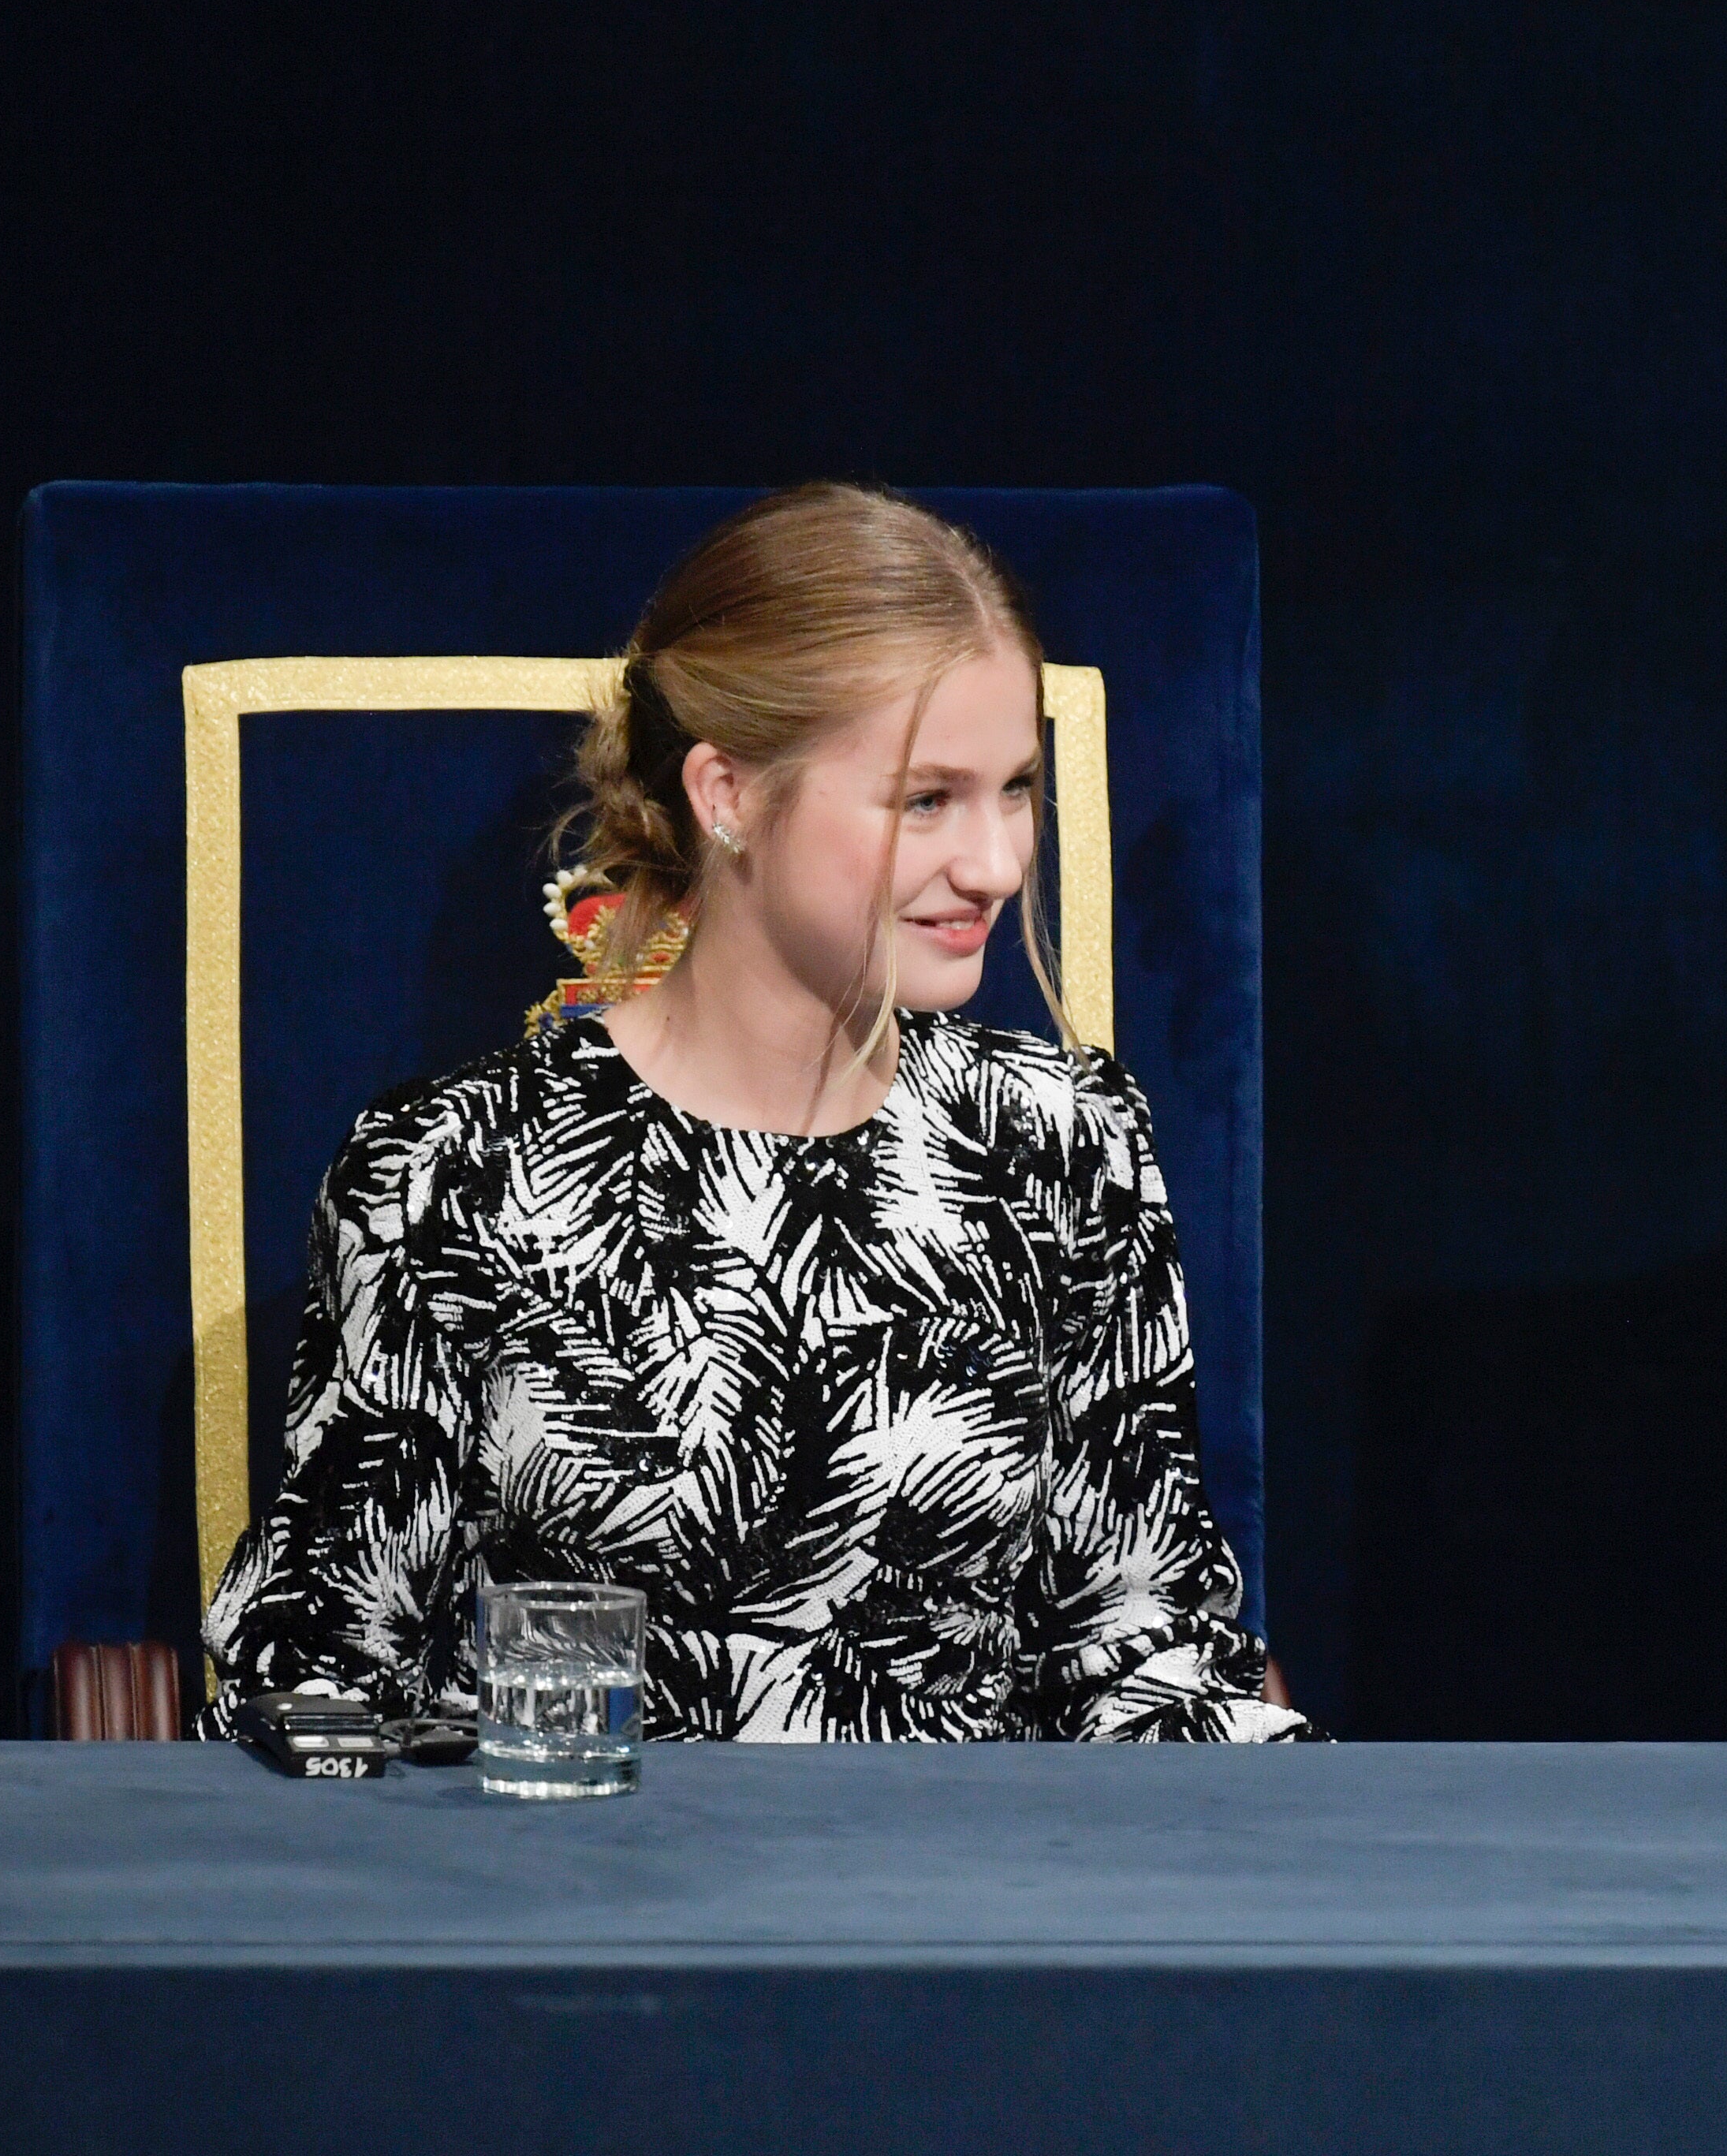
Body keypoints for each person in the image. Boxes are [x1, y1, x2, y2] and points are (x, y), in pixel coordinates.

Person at [206, 484, 1309, 1743]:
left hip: (964, 1914)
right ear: (726, 792)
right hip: (568, 1907)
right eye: (926, 800)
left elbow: (1142, 1644)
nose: (998, 863)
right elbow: (319, 1668)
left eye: (1014, 789)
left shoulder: (1066, 1142)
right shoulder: (448, 1174)